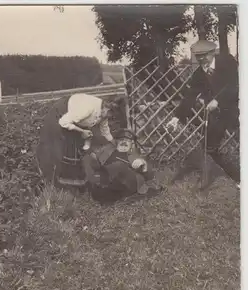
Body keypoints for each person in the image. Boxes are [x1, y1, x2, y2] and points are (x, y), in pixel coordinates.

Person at [165, 40, 239, 188]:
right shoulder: (199, 74)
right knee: (210, 147)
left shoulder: (227, 62)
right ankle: (239, 177)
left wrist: (217, 100)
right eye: (198, 56)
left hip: (238, 107)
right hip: (219, 114)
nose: (201, 59)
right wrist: (176, 118)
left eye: (204, 55)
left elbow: (235, 84)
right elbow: (190, 97)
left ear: (213, 53)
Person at [83, 128, 163, 203]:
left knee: (118, 166)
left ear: (132, 143)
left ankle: (99, 183)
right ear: (116, 141)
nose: (124, 142)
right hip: (110, 184)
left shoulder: (136, 154)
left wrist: (144, 164)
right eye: (121, 140)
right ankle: (95, 186)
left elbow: (149, 175)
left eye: (128, 140)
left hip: (128, 183)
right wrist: (92, 157)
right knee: (87, 159)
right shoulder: (107, 150)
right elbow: (94, 161)